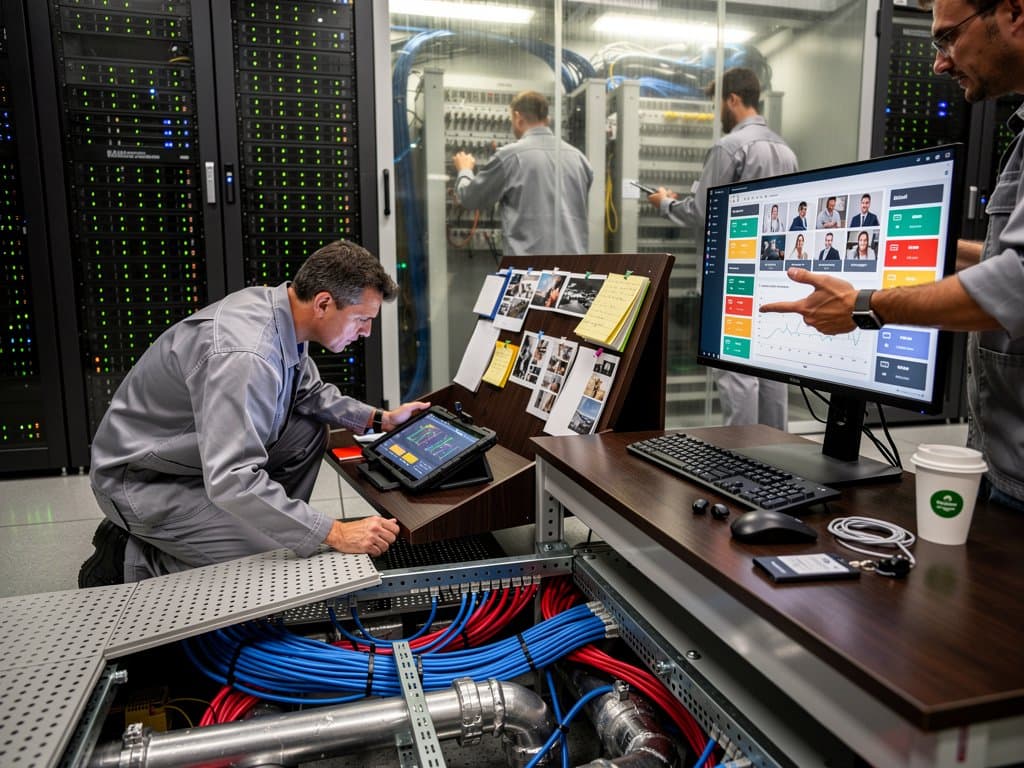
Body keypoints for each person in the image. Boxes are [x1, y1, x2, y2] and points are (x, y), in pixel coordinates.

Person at [761, 0, 1024, 511]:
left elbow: (1016, 284)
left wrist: (867, 305)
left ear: (1013, 13)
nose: (940, 63)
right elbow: (1003, 260)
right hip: (1001, 463)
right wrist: (922, 255)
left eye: (948, 38)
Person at [79, 241, 431, 586]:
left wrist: (380, 419)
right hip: (143, 480)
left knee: (308, 429)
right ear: (324, 303)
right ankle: (129, 553)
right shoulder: (248, 353)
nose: (366, 332)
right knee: (275, 561)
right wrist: (333, 532)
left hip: (188, 461)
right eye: (361, 319)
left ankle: (251, 521)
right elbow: (231, 477)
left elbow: (309, 393)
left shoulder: (282, 313)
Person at [646, 67, 797, 430]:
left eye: (719, 104)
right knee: (771, 366)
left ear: (732, 99)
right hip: (775, 270)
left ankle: (738, 453)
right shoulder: (785, 150)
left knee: (736, 372)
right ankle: (776, 449)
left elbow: (701, 211)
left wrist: (665, 203)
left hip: (733, 275)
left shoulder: (730, 147)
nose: (718, 113)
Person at [452, 90, 593, 256]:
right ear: (546, 120)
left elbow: (470, 199)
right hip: (573, 267)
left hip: (530, 271)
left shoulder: (510, 157)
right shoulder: (580, 159)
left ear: (518, 118)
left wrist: (465, 170)